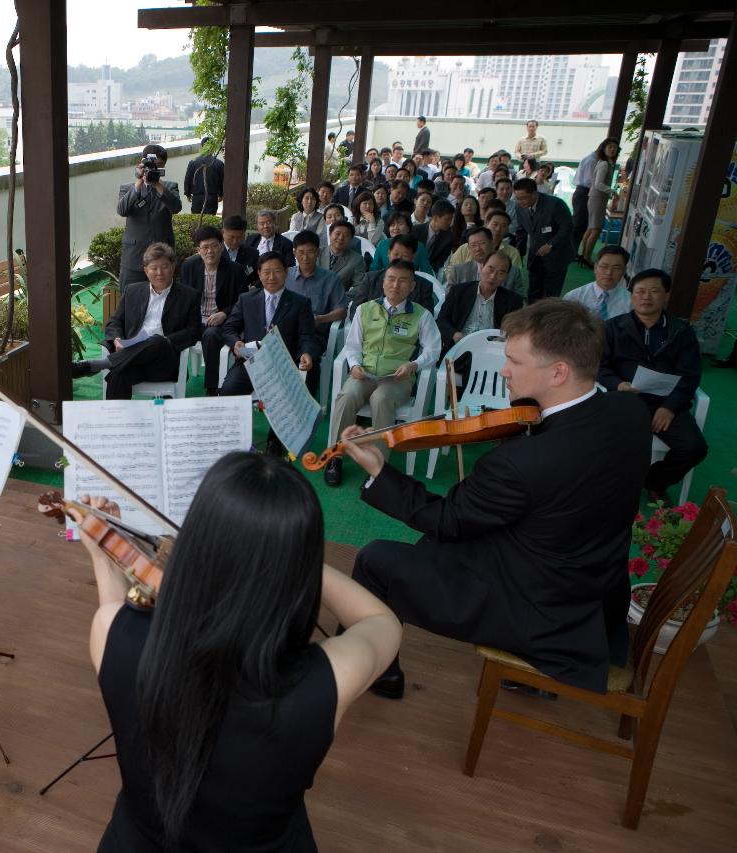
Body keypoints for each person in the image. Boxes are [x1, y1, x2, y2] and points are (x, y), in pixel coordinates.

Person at [77, 453, 402, 853]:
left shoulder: (110, 632)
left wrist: (102, 558)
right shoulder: (328, 679)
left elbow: (117, 619)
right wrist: (292, 556)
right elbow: (382, 621)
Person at [342, 299, 651, 698]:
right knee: (435, 547)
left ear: (558, 372)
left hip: (537, 606)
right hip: (595, 586)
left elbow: (447, 520)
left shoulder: (520, 463)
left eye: (515, 362)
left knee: (375, 559)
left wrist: (380, 473)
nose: (503, 370)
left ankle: (372, 672)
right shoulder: (631, 411)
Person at [324, 259, 441, 488]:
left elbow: (434, 349)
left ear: (412, 286)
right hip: (364, 374)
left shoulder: (421, 315)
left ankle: (379, 467)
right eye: (391, 279)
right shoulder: (365, 309)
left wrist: (413, 365)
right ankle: (335, 456)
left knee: (381, 399)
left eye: (402, 280)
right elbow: (352, 345)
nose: (395, 285)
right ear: (383, 282)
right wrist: (355, 365)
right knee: (346, 397)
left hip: (395, 379)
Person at [598, 269, 708, 504]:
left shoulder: (681, 332)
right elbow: (600, 367)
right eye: (640, 291)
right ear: (631, 296)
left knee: (694, 447)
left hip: (666, 404)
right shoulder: (613, 328)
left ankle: (654, 482)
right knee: (612, 442)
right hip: (626, 400)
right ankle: (614, 486)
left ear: (666, 295)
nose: (646, 297)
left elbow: (690, 375)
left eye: (654, 291)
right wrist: (618, 384)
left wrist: (670, 407)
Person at [74, 243, 202, 399]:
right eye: (154, 268)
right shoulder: (133, 290)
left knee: (157, 340)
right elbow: (114, 322)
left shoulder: (189, 295)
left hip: (163, 363)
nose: (160, 273)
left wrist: (167, 341)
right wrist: (117, 339)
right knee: (117, 376)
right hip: (132, 362)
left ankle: (100, 364)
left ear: (173, 267)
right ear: (146, 270)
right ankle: (117, 422)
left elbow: (194, 331)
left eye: (165, 267)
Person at [220, 252, 316, 400]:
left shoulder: (300, 303)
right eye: (266, 272)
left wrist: (306, 352)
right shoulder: (246, 300)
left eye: (277, 271)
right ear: (259, 273)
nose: (271, 277)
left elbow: (307, 335)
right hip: (252, 360)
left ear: (286, 272)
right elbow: (228, 329)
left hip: (285, 363)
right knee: (228, 391)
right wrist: (236, 343)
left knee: (290, 400)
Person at [181, 227, 247, 395]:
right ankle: (179, 376)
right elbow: (182, 295)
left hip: (219, 322)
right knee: (171, 331)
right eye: (205, 247)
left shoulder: (235, 270)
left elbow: (243, 301)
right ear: (198, 250)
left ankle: (211, 387)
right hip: (194, 321)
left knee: (210, 336)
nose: (210, 251)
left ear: (221, 246)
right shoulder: (189, 266)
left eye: (214, 246)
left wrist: (224, 313)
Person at [284, 230, 347, 394]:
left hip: (314, 333)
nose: (305, 257)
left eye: (310, 252)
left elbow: (342, 311)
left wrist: (321, 319)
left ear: (318, 252)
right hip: (287, 331)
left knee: (308, 360)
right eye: (301, 252)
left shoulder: (330, 278)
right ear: (294, 253)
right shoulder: (285, 275)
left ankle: (307, 403)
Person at [117, 144, 182, 289]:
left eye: (159, 166)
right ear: (142, 163)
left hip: (162, 258)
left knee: (164, 300)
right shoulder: (128, 188)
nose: (155, 169)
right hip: (134, 258)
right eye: (152, 165)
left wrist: (157, 184)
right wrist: (140, 181)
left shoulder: (170, 187)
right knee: (130, 300)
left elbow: (176, 207)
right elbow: (122, 210)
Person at [435, 251, 524, 354]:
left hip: (492, 353)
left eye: (500, 273)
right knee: (449, 367)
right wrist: (454, 334)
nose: (493, 276)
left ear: (506, 276)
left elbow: (515, 331)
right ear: (482, 267)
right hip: (458, 349)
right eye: (490, 269)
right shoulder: (458, 292)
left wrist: (503, 340)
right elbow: (441, 320)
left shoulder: (513, 301)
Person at [512, 177, 575, 302]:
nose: (520, 202)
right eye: (517, 198)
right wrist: (519, 252)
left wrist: (550, 244)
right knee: (533, 290)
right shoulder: (519, 207)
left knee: (550, 293)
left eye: (523, 198)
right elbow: (521, 231)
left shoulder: (555, 204)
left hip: (557, 255)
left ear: (535, 193)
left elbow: (567, 228)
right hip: (535, 254)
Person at [347, 235, 435, 318]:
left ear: (413, 257)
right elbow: (355, 308)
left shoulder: (424, 285)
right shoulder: (371, 278)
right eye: (396, 254)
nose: (399, 259)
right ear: (389, 254)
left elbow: (427, 317)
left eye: (405, 256)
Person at [445, 216, 526, 299]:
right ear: (469, 248)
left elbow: (522, 302)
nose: (478, 249)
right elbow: (449, 299)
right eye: (473, 245)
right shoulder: (458, 271)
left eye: (482, 243)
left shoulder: (512, 272)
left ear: (492, 244)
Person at [578, 139, 620, 267]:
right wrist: (612, 191)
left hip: (595, 197)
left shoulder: (604, 162)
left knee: (591, 228)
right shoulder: (604, 164)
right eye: (610, 147)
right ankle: (587, 257)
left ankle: (583, 255)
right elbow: (598, 183)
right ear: (604, 148)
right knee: (595, 229)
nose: (613, 149)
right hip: (598, 197)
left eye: (615, 147)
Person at [565, 245, 631, 320]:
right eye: (604, 266)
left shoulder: (631, 302)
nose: (609, 273)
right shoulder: (574, 297)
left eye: (616, 268)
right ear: (595, 268)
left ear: (624, 271)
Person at [368, 211, 434, 275]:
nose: (395, 228)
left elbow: (427, 271)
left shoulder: (418, 246)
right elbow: (374, 268)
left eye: (400, 224)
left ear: (408, 228)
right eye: (392, 225)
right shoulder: (382, 244)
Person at [319, 220, 367, 295]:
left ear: (351, 239)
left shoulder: (357, 260)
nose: (341, 238)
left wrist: (340, 300)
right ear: (330, 234)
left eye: (346, 235)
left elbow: (359, 287)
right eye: (337, 233)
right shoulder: (317, 253)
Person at [570, 143, 602, 252]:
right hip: (584, 192)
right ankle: (571, 251)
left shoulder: (593, 159)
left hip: (584, 192)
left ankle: (574, 250)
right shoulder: (592, 161)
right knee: (579, 225)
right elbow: (589, 181)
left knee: (582, 224)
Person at [413, 198, 459, 272]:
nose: (450, 223)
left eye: (451, 219)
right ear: (436, 218)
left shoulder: (449, 237)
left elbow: (440, 262)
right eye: (447, 219)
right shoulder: (415, 230)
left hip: (431, 273)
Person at [182, 143, 224, 214]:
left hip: (197, 198)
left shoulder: (193, 162)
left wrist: (188, 193)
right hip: (212, 197)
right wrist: (221, 194)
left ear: (201, 147)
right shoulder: (218, 163)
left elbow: (188, 178)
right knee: (210, 221)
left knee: (197, 221)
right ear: (212, 148)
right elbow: (222, 181)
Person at [221, 215, 261, 286]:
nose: (235, 241)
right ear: (223, 232)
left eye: (240, 237)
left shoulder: (252, 254)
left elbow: (259, 277)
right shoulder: (214, 252)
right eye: (231, 237)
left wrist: (254, 287)